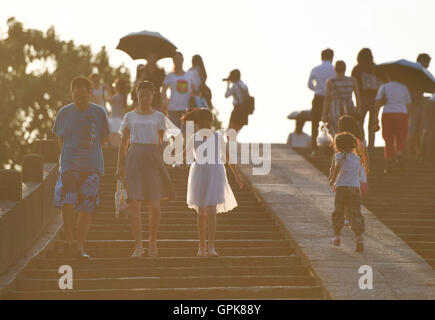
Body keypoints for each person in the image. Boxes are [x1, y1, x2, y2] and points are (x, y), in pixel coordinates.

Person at [117, 81, 178, 258]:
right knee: (134, 203)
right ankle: (138, 245)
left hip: (152, 157)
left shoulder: (159, 117)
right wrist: (120, 164)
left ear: (153, 96)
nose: (144, 98)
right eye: (141, 95)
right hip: (134, 155)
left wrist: (162, 160)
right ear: (137, 95)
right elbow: (123, 142)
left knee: (155, 205)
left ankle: (152, 240)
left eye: (147, 95)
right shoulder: (130, 116)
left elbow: (162, 141)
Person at [53, 76, 110, 259]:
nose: (79, 101)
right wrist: (69, 156)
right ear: (72, 94)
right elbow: (60, 139)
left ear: (90, 94)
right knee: (67, 202)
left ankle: (79, 246)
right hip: (69, 166)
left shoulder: (99, 113)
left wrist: (88, 153)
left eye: (83, 98)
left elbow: (103, 138)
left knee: (86, 209)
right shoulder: (64, 113)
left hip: (92, 167)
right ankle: (69, 240)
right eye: (76, 97)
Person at [181, 108, 243, 257]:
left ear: (210, 121)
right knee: (201, 213)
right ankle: (202, 246)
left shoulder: (217, 137)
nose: (201, 125)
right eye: (198, 123)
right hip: (199, 174)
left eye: (204, 122)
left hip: (215, 173)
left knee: (212, 212)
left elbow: (228, 158)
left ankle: (211, 246)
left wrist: (237, 176)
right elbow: (183, 155)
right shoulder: (194, 137)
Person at [329, 132, 365, 253]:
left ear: (338, 145)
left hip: (342, 188)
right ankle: (359, 237)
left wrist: (332, 180)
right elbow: (358, 174)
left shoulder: (339, 155)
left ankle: (337, 237)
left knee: (338, 211)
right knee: (355, 213)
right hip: (355, 188)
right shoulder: (357, 157)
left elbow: (338, 166)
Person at [374, 71, 412, 174]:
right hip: (402, 113)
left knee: (388, 138)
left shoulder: (384, 87)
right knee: (401, 138)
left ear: (388, 76)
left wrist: (375, 117)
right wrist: (409, 117)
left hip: (387, 113)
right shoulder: (404, 88)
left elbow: (377, 102)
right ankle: (399, 155)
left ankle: (389, 161)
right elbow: (408, 104)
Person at [351, 48, 381, 152]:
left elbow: (353, 85)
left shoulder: (357, 69)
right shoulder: (376, 68)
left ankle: (361, 143)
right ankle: (371, 146)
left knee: (359, 122)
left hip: (362, 98)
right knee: (372, 123)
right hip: (374, 98)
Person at [307, 48, 336, 157]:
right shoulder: (334, 69)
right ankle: (332, 147)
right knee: (331, 122)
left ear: (321, 57)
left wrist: (316, 89)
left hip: (318, 96)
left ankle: (315, 148)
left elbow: (309, 84)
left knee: (315, 122)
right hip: (331, 98)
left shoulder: (315, 69)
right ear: (332, 57)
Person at [322, 60, 361, 137]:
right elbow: (358, 96)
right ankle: (349, 147)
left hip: (335, 108)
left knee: (336, 130)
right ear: (345, 69)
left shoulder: (330, 81)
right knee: (349, 130)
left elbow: (327, 99)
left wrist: (324, 114)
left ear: (335, 69)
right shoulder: (352, 80)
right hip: (349, 107)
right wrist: (358, 109)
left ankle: (338, 147)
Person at [162, 52, 194, 131]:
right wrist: (165, 103)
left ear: (183, 60)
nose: (178, 61)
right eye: (176, 59)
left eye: (179, 58)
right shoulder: (170, 76)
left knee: (187, 133)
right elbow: (163, 91)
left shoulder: (189, 75)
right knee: (175, 133)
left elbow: (193, 91)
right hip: (173, 108)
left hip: (187, 109)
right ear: (173, 61)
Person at [408, 53, 431, 159]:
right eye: (428, 62)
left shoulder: (415, 71)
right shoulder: (417, 72)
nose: (428, 65)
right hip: (415, 104)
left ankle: (416, 151)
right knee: (415, 128)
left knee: (418, 129)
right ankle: (411, 152)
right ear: (423, 61)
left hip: (417, 104)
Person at [224, 69, 251, 137]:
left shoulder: (235, 86)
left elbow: (226, 95)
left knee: (229, 134)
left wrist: (228, 85)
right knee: (233, 134)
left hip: (237, 110)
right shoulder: (244, 85)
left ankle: (232, 147)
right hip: (245, 111)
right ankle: (234, 146)